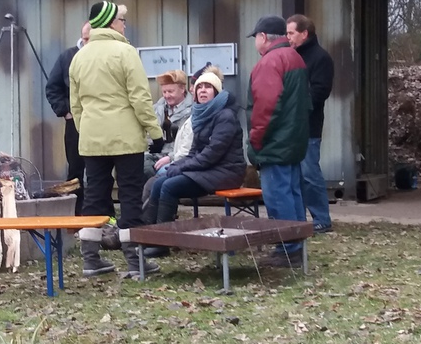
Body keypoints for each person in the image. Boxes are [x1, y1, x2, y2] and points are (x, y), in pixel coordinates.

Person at [70, 0, 164, 278]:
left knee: (94, 196)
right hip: (125, 138)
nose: (125, 25)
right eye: (122, 20)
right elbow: (140, 97)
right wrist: (155, 131)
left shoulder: (80, 57)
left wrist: (86, 129)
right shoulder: (126, 52)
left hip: (92, 140)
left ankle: (90, 259)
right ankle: (135, 261)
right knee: (130, 195)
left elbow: (76, 105)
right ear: (112, 22)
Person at [142, 67, 246, 257]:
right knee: (159, 182)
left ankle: (163, 243)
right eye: (200, 87)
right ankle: (148, 236)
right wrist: (177, 165)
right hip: (208, 170)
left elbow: (212, 154)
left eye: (208, 87)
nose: (203, 90)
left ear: (216, 92)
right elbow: (194, 151)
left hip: (226, 172)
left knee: (170, 186)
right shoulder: (202, 115)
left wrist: (183, 166)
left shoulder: (225, 116)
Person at [246, 14, 311, 267]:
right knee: (293, 193)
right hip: (293, 139)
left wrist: (256, 142)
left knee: (277, 197)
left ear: (263, 37)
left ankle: (288, 249)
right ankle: (297, 245)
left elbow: (266, 108)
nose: (255, 42)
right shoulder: (295, 58)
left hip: (275, 142)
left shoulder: (269, 62)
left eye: (255, 37)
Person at [287, 14, 335, 234]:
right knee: (294, 176)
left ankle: (321, 219)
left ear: (304, 33)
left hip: (308, 126)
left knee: (309, 174)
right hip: (290, 127)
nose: (287, 37)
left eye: (291, 33)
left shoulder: (320, 58)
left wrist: (295, 109)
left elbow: (320, 92)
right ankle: (299, 218)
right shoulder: (290, 56)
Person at [45, 21, 91, 212]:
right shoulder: (68, 57)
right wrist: (65, 112)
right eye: (85, 38)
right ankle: (76, 214)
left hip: (100, 123)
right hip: (75, 124)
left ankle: (101, 213)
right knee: (75, 170)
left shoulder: (104, 56)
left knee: (100, 170)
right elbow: (52, 87)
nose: (87, 42)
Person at [144, 69, 192, 179]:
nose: (167, 96)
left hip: (178, 158)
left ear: (182, 89)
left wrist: (171, 157)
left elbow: (190, 144)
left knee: (162, 174)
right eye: (164, 92)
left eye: (170, 91)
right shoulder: (157, 109)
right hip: (155, 155)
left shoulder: (193, 112)